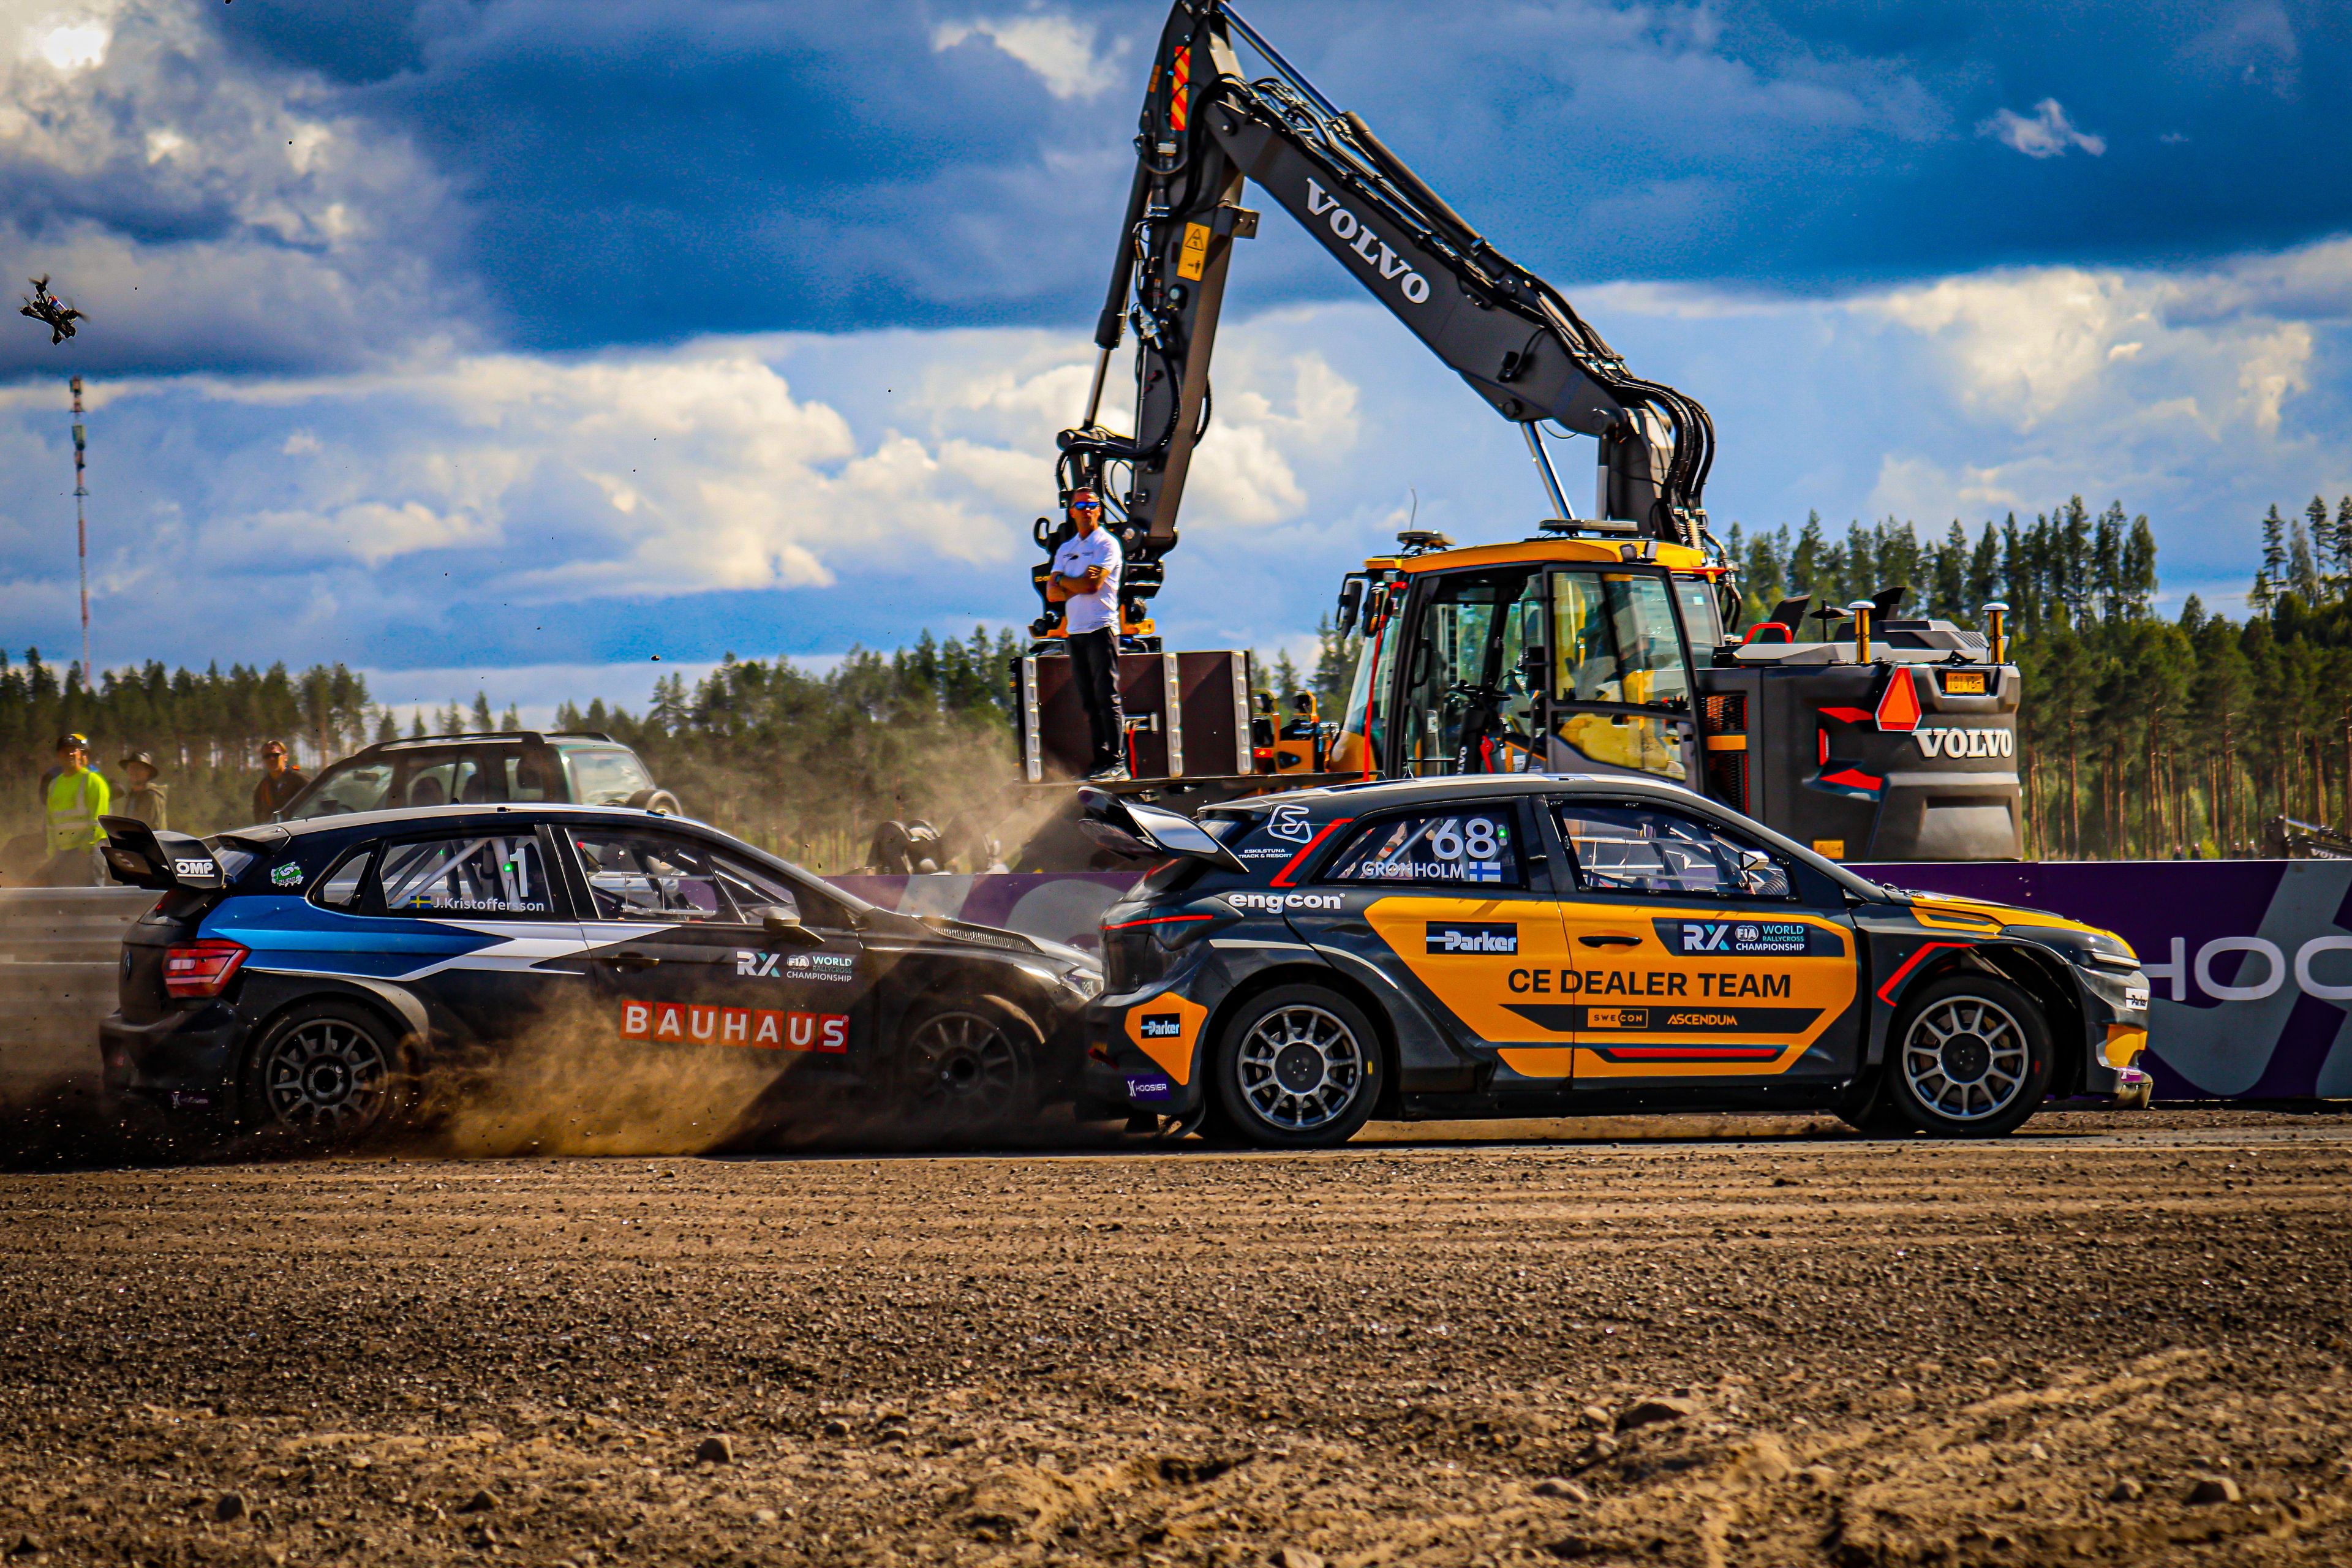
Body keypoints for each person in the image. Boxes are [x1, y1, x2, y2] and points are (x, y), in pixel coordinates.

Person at [1047, 487, 1128, 782]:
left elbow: (1091, 586)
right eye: (1079, 505)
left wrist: (1065, 581)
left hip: (1101, 627)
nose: (1085, 509)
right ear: (1071, 512)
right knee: (1089, 700)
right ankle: (1101, 760)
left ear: (1099, 510)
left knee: (1108, 696)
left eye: (1091, 504)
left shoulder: (1107, 544)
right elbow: (1052, 594)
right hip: (1076, 631)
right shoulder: (1065, 548)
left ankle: (1117, 762)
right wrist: (1072, 583)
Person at [39, 733, 110, 887]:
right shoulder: (55, 785)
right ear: (58, 755)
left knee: (93, 902)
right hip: (63, 854)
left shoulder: (93, 781)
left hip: (88, 852)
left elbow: (99, 820)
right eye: (65, 751)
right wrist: (53, 851)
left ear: (80, 753)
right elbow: (51, 823)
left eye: (73, 750)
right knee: (66, 903)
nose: (70, 754)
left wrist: (85, 848)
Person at [252, 740, 308, 821]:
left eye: (275, 755)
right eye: (267, 756)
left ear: (285, 757)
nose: (271, 759)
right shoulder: (263, 787)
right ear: (263, 760)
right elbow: (258, 816)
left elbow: (317, 797)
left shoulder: (298, 779)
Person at [117, 750, 168, 831]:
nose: (134, 771)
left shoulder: (152, 796)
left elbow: (153, 829)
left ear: (148, 773)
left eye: (138, 768)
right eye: (131, 767)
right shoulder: (132, 795)